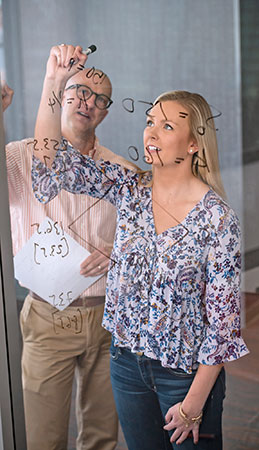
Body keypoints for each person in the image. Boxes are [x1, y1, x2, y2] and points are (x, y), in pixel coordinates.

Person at [32, 44, 249, 450]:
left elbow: (224, 327)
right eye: (150, 122)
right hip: (126, 364)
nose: (151, 132)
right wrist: (54, 82)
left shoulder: (218, 220)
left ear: (193, 144)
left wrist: (195, 403)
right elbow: (50, 163)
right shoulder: (129, 188)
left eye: (167, 126)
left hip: (184, 375)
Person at [5, 46, 137, 450]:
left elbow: (141, 242)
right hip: (47, 317)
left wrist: (119, 253)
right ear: (62, 95)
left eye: (100, 99)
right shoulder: (20, 158)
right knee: (42, 437)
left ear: (106, 112)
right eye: (79, 91)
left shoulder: (122, 171)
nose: (88, 103)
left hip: (108, 319)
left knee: (102, 437)